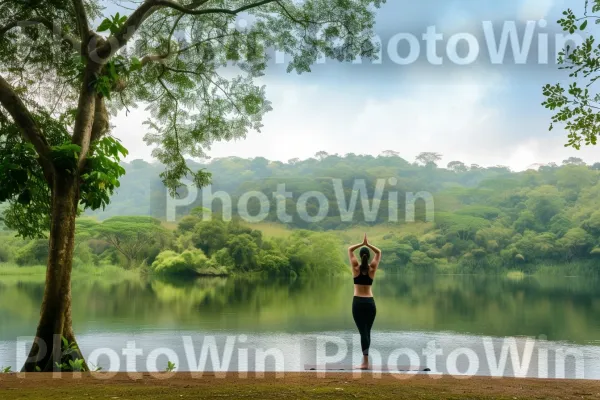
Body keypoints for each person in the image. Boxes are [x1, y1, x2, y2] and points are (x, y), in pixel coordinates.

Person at [347, 233, 381, 370]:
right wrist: (368, 244)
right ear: (369, 256)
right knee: (367, 332)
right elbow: (379, 252)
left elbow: (349, 249)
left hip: (358, 303)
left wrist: (361, 244)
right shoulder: (372, 268)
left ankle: (365, 363)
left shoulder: (356, 268)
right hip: (370, 303)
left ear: (360, 256)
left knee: (363, 333)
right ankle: (365, 362)